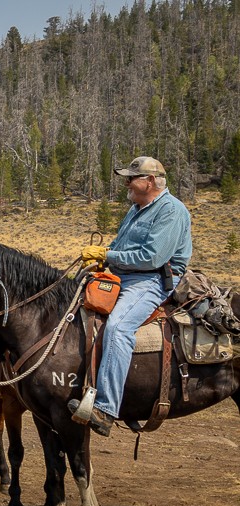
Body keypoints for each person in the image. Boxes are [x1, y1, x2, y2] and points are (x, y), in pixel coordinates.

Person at [69, 156, 192, 436]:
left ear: (150, 181)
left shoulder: (171, 211)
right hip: (122, 276)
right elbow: (118, 244)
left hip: (152, 280)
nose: (126, 183)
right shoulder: (137, 207)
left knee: (118, 327)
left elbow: (152, 257)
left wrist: (107, 255)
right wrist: (102, 260)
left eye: (131, 178)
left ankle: (106, 408)